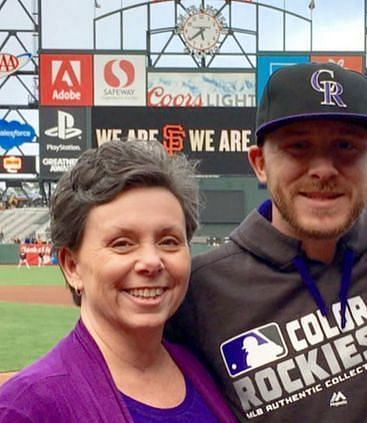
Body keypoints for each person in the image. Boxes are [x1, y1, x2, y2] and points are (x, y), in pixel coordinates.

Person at [166, 62, 367, 422]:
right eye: (298, 146)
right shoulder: (201, 292)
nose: (323, 169)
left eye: (345, 145)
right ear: (259, 163)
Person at [0, 140, 236, 422]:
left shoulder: (206, 369)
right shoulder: (27, 407)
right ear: (72, 266)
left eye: (169, 241)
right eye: (122, 243)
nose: (151, 261)